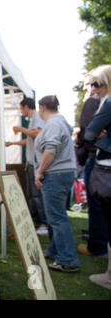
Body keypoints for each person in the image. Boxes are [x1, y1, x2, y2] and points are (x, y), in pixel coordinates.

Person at [34, 95, 80, 273]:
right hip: (61, 173)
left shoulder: (53, 124)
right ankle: (55, 250)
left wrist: (40, 171)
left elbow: (50, 150)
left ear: (42, 108)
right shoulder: (60, 122)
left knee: (57, 217)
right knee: (55, 215)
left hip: (55, 174)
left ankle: (68, 260)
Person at [75, 72, 108, 259]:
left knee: (97, 203)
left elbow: (88, 132)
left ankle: (97, 245)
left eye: (92, 83)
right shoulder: (101, 101)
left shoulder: (98, 102)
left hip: (97, 158)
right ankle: (98, 240)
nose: (90, 88)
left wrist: (87, 133)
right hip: (98, 157)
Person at [84, 64, 111, 290]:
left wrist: (101, 134)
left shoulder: (109, 102)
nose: (93, 89)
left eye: (96, 84)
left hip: (107, 169)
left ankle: (110, 277)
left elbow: (90, 133)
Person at [5, 97, 48, 235]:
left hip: (36, 163)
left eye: (21, 108)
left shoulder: (37, 117)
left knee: (36, 195)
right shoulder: (32, 120)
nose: (20, 111)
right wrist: (13, 143)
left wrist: (21, 129)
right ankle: (35, 222)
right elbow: (29, 139)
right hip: (30, 162)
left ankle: (44, 223)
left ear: (26, 107)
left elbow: (36, 133)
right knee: (31, 195)